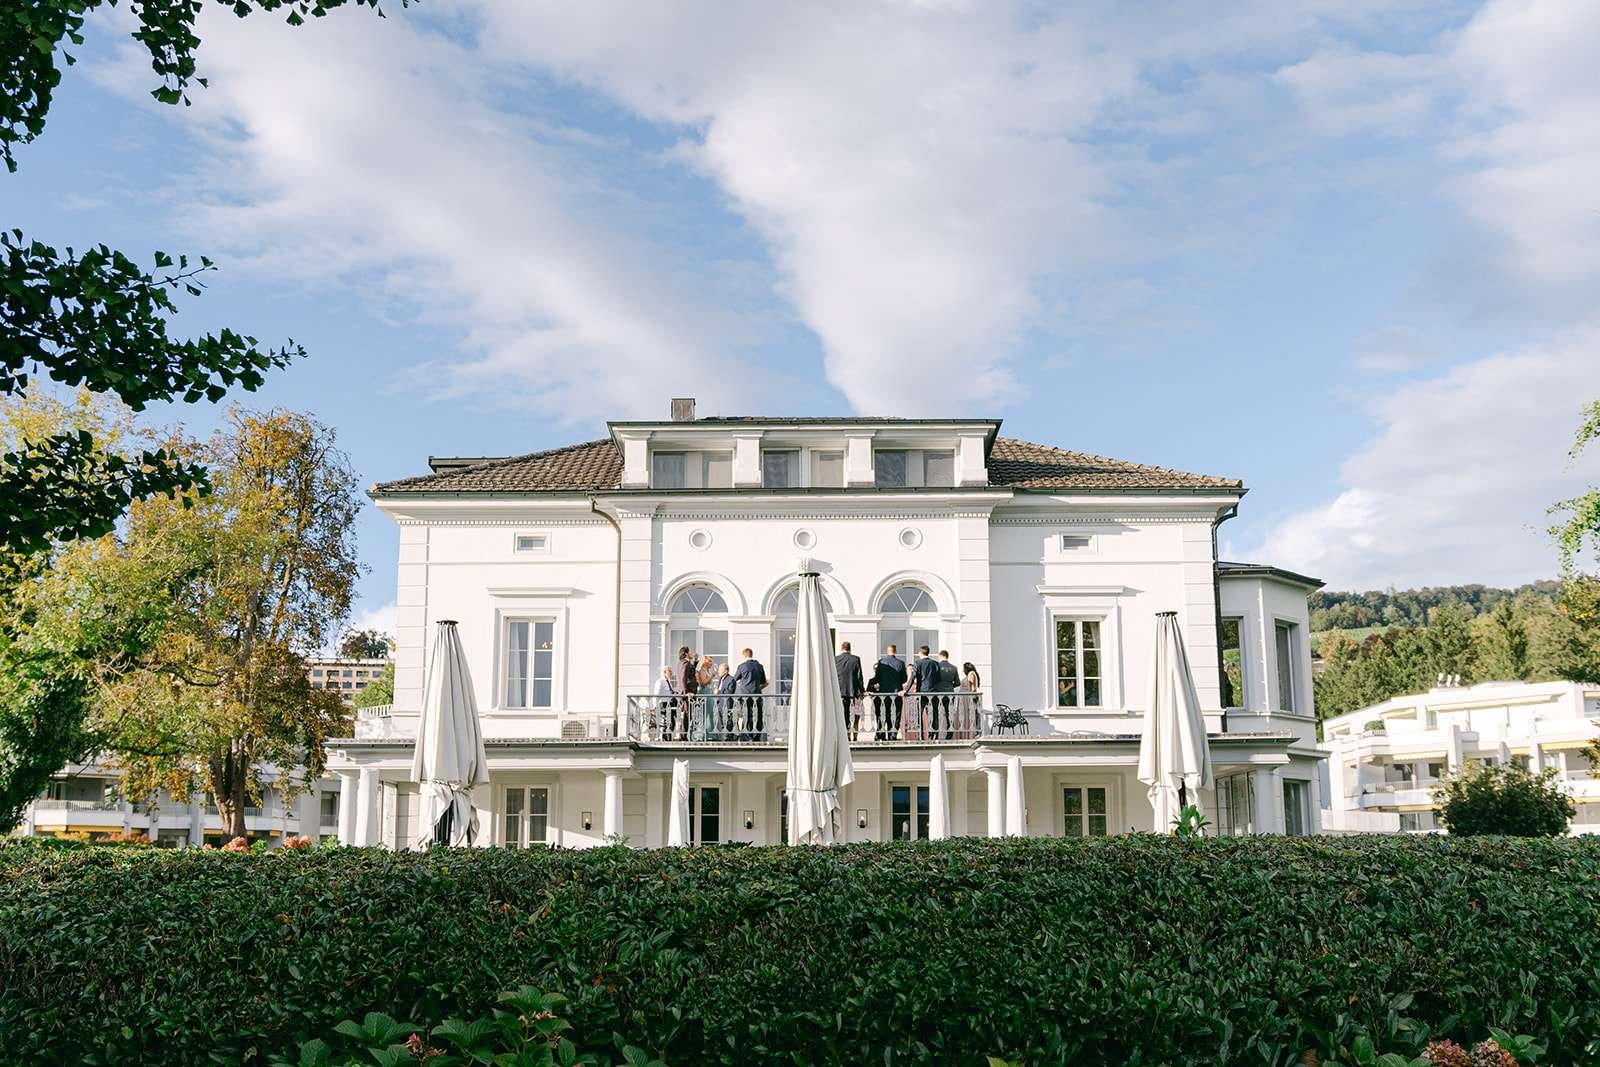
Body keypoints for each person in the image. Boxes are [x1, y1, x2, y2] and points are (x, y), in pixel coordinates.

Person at [868, 643, 906, 740]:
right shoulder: (900, 663)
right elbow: (904, 679)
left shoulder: (881, 663)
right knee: (895, 715)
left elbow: (877, 678)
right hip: (896, 694)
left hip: (883, 694)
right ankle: (892, 735)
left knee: (883, 714)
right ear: (895, 651)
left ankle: (881, 734)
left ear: (887, 651)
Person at [732, 647, 769, 738]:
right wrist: (758, 687)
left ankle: (749, 734)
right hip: (757, 693)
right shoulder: (759, 666)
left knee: (747, 714)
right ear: (751, 654)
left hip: (745, 694)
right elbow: (764, 682)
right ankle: (758, 735)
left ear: (744, 655)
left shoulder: (742, 666)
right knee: (759, 714)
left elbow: (734, 679)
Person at [835, 640, 864, 740]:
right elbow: (859, 677)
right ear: (850, 649)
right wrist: (862, 690)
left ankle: (845, 736)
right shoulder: (855, 659)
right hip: (853, 691)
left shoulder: (836, 659)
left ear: (841, 648)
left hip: (839, 691)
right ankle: (852, 737)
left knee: (844, 714)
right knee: (854, 715)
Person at [911, 644, 940, 738]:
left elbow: (912, 678)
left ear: (920, 653)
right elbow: (938, 679)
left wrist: (906, 690)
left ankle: (921, 735)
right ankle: (934, 734)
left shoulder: (918, 663)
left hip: (922, 692)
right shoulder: (935, 663)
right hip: (933, 691)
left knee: (919, 713)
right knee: (933, 713)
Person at [935, 650, 961, 738]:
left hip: (938, 693)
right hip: (950, 693)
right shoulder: (954, 668)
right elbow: (957, 682)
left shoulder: (937, 666)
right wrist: (950, 686)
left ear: (940, 656)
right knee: (949, 713)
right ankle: (950, 733)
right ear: (947, 656)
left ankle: (936, 733)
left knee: (936, 713)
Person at [675, 646, 698, 740]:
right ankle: (683, 736)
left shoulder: (686, 662)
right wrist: (686, 693)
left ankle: (685, 735)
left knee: (687, 714)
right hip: (687, 694)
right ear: (686, 653)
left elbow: (691, 672)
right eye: (689, 652)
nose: (691, 653)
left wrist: (695, 660)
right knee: (686, 714)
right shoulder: (684, 663)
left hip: (689, 693)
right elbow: (683, 678)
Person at [653, 667, 676, 740]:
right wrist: (655, 706)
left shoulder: (668, 682)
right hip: (664, 704)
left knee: (672, 722)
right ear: (664, 672)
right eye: (669, 671)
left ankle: (668, 737)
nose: (671, 672)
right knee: (667, 722)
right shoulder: (660, 681)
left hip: (670, 704)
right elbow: (656, 694)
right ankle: (665, 738)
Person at [714, 662, 736, 739]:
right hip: (720, 702)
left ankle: (729, 736)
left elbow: (730, 692)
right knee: (721, 719)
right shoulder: (720, 679)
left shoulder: (731, 679)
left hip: (727, 703)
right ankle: (725, 734)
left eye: (720, 670)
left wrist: (718, 691)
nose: (718, 671)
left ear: (726, 671)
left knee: (728, 719)